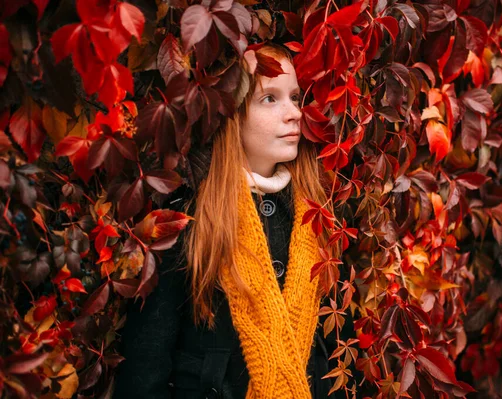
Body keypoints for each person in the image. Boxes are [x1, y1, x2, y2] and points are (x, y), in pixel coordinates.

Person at [112, 43, 353, 399]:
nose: (294, 114)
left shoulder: (316, 216)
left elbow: (334, 355)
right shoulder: (188, 220)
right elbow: (145, 368)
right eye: (270, 99)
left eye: (295, 97)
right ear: (229, 113)